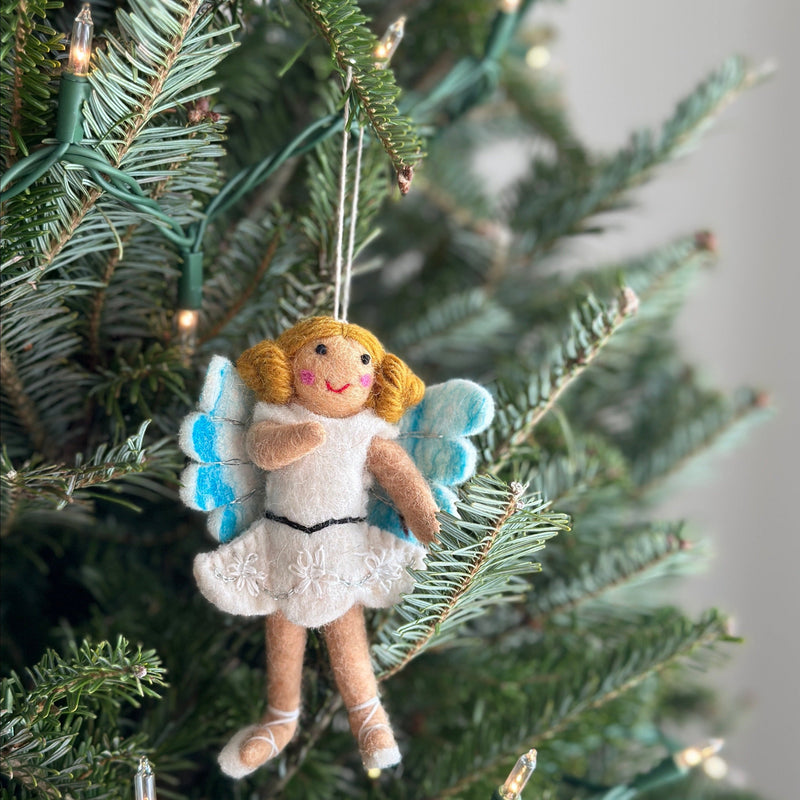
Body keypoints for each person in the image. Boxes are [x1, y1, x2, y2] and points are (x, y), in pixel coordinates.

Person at [193, 317, 439, 777]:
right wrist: (300, 436)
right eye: (320, 352)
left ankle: (369, 720)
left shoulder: (367, 431)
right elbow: (262, 450)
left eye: (363, 361)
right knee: (282, 628)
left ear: (377, 377)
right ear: (289, 362)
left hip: (343, 549)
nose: (342, 371)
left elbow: (402, 477)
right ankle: (279, 720)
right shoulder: (278, 415)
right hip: (280, 546)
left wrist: (426, 521)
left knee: (348, 635)